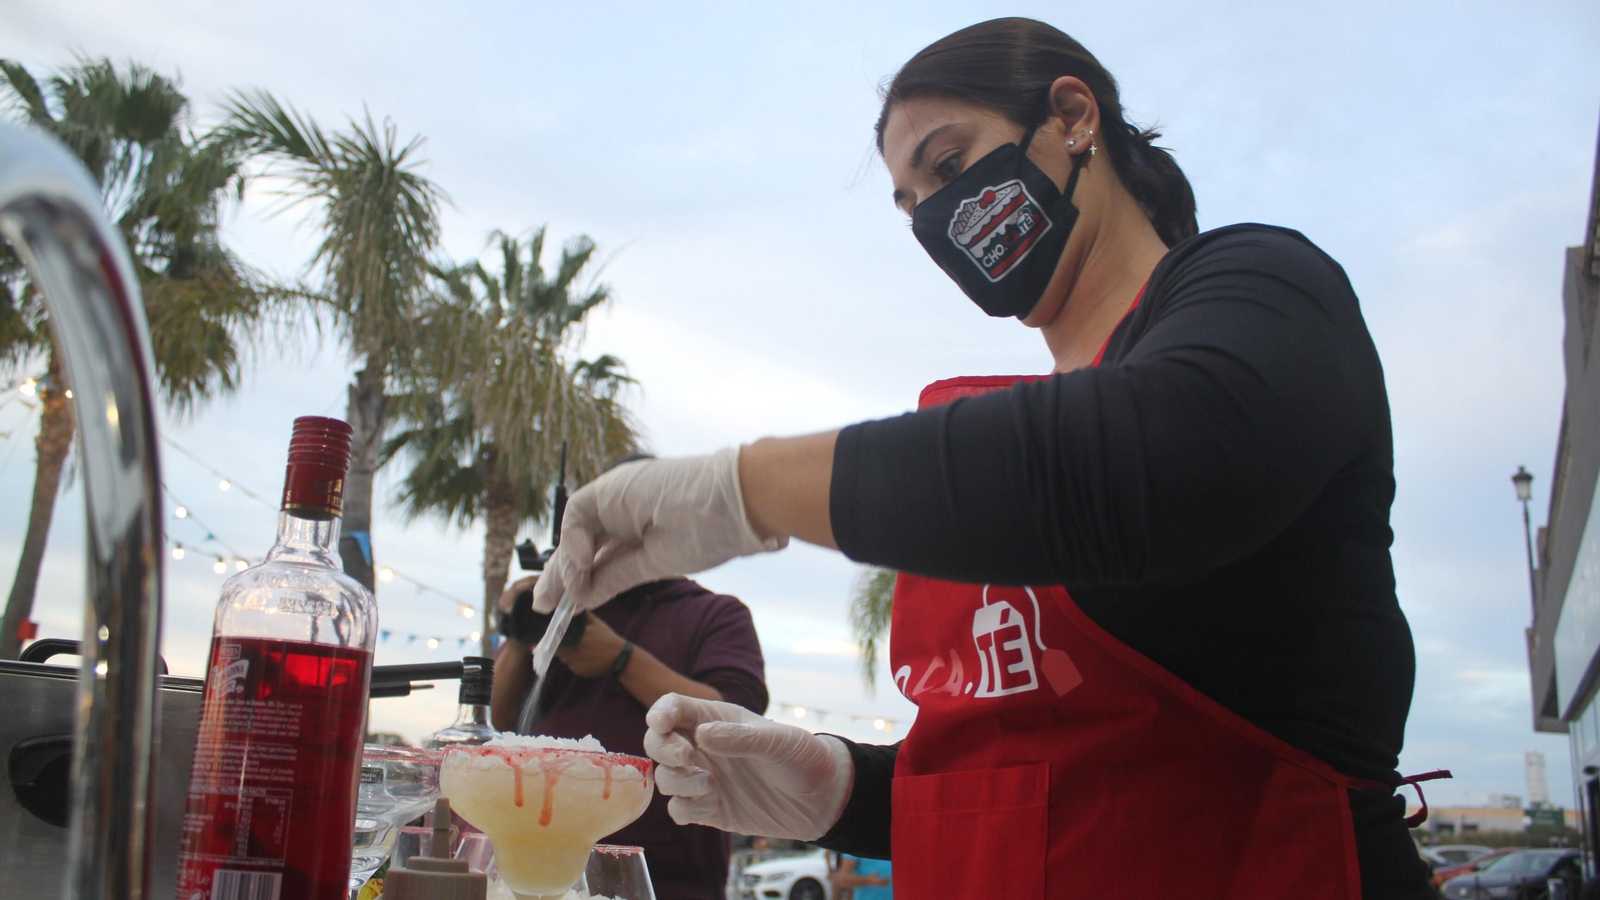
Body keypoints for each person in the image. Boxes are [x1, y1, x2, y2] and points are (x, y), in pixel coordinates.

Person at [533, 17, 1438, 900]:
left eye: (951, 166)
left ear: (1074, 117)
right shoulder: (999, 433)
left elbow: (1142, 468)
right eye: (910, 203)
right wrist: (843, 790)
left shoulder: (1259, 285)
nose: (935, 217)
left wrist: (746, 489)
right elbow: (1042, 779)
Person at [491, 566, 767, 900]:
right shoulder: (565, 609)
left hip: (669, 872)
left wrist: (622, 659)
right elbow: (501, 718)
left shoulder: (714, 613)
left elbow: (735, 722)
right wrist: (522, 631)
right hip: (542, 857)